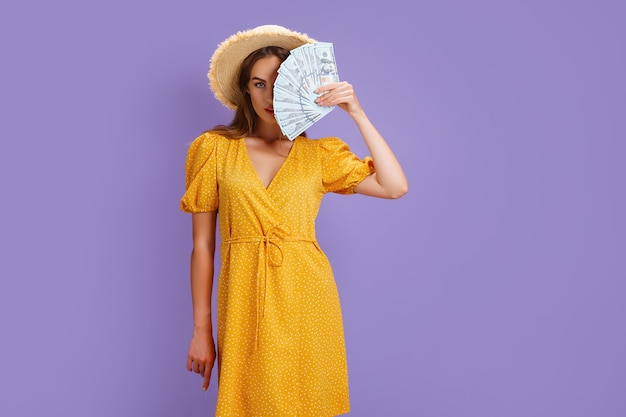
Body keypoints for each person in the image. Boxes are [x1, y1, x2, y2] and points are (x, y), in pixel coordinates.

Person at [180, 24, 408, 416]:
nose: (269, 96)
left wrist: (357, 113)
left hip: (307, 296)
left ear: (299, 86)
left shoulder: (320, 155)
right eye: (258, 84)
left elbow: (394, 186)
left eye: (279, 83)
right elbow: (202, 246)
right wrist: (202, 330)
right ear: (245, 90)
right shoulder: (213, 149)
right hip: (243, 296)